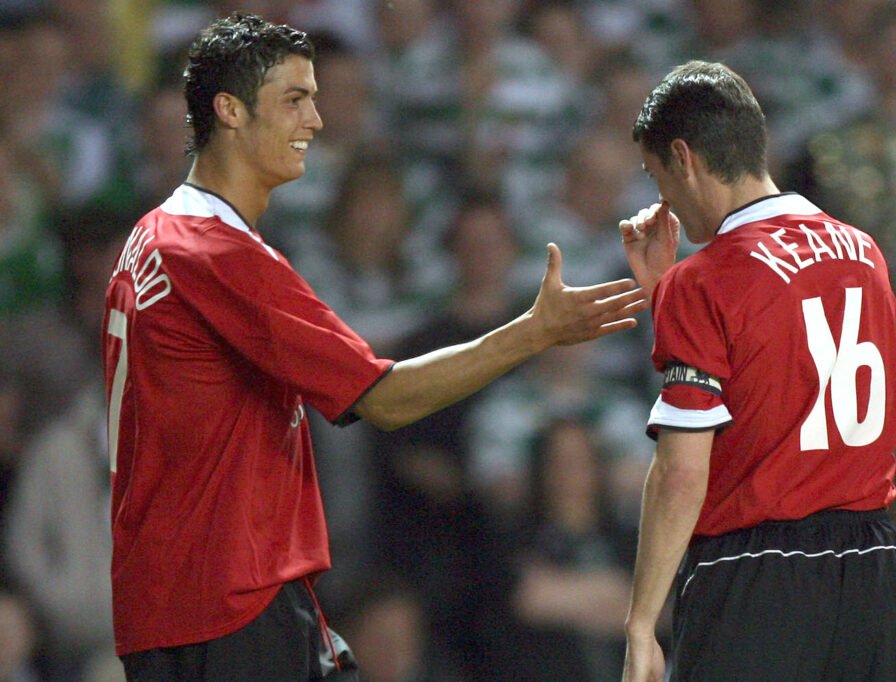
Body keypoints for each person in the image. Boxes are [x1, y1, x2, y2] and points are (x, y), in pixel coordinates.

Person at [101, 12, 645, 682]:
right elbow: (384, 398)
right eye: (294, 100)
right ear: (231, 110)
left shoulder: (151, 237)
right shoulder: (218, 255)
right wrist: (535, 331)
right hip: (227, 602)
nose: (315, 121)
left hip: (175, 599)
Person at [616, 60, 896, 681]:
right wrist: (665, 296)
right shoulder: (864, 252)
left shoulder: (705, 280)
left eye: (657, 176)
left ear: (684, 158)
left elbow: (681, 471)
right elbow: (783, 370)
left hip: (757, 578)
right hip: (877, 572)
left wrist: (642, 623)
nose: (663, 199)